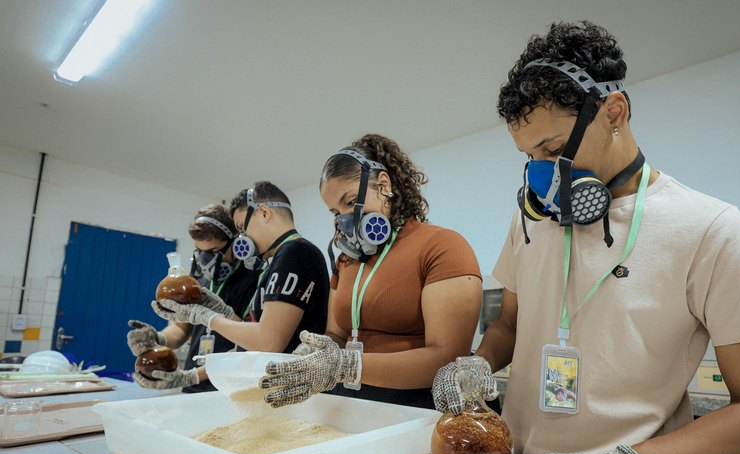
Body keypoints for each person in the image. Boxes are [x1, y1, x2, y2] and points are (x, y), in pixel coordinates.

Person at [431, 21, 740, 454]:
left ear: (614, 112)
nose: (541, 173)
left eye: (552, 149)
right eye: (529, 157)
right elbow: (511, 324)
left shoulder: (711, 228)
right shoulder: (530, 220)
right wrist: (480, 363)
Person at [257, 134, 483, 409]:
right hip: (350, 407)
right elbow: (336, 334)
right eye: (334, 211)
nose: (342, 219)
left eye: (350, 202)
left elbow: (447, 357)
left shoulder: (442, 246)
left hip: (414, 412)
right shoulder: (347, 261)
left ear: (383, 185)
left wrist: (347, 366)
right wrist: (313, 356)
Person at [152, 181, 329, 355]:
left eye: (242, 228)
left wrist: (207, 317)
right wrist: (222, 311)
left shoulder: (294, 252)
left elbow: (268, 342)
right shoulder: (281, 258)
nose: (242, 238)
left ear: (264, 213)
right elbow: (256, 332)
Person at [127, 204, 259, 392]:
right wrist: (159, 338)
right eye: (200, 251)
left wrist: (194, 375)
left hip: (229, 388)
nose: (206, 261)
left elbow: (250, 344)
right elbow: (180, 328)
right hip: (192, 388)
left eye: (214, 251)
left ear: (236, 244)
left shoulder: (252, 280)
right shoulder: (197, 281)